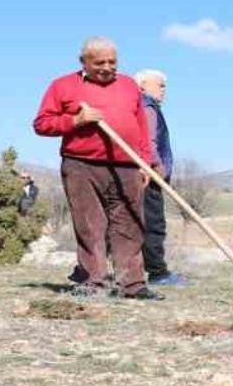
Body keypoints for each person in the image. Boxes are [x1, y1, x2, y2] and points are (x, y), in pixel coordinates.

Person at [33, 36, 163, 300]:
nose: (107, 67)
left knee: (130, 225)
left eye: (112, 62)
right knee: (90, 225)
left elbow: (141, 125)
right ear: (83, 62)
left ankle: (132, 285)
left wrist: (145, 162)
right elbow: (42, 124)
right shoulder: (62, 85)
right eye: (99, 62)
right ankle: (94, 282)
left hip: (128, 165)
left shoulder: (128, 85)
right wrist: (75, 120)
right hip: (81, 165)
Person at [135, 69, 186, 286]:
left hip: (142, 172)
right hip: (149, 174)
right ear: (142, 86)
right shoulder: (147, 107)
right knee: (153, 223)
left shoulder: (140, 106)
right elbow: (149, 141)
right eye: (160, 85)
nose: (164, 90)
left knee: (137, 222)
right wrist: (156, 166)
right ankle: (158, 273)